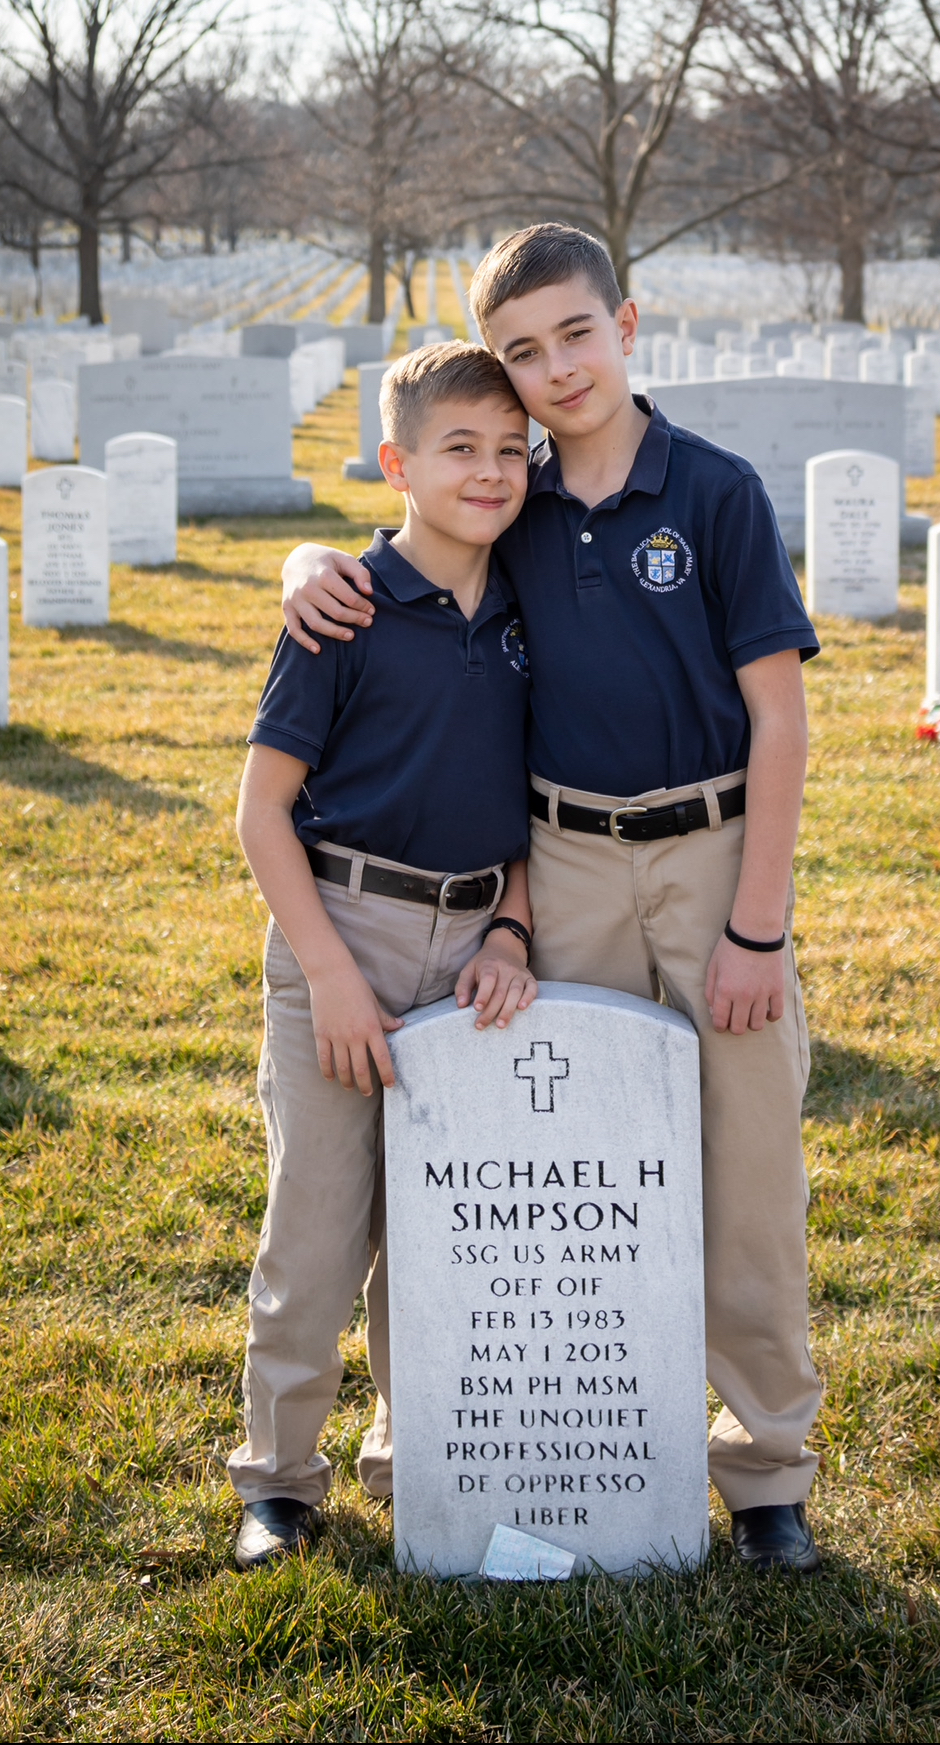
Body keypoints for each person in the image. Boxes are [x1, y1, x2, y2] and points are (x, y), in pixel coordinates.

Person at [279, 223, 825, 1574]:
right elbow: (399, 562)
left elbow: (780, 719)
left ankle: (766, 1477)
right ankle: (575, 1442)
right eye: (519, 352)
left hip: (708, 858)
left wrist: (754, 920)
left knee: (744, 1176)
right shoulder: (509, 506)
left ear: (624, 323)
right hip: (561, 860)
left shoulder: (710, 493)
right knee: (562, 1172)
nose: (552, 368)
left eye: (573, 333)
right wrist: (302, 566)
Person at [230, 340, 538, 1570]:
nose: (492, 471)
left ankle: (424, 1453)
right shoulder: (341, 607)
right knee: (317, 1217)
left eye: (512, 450)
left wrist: (512, 922)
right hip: (340, 928)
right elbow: (261, 812)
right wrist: (333, 975)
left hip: (474, 944)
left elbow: (539, 796)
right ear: (397, 461)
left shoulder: (530, 608)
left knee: (446, 1226)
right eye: (460, 448)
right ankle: (279, 1480)